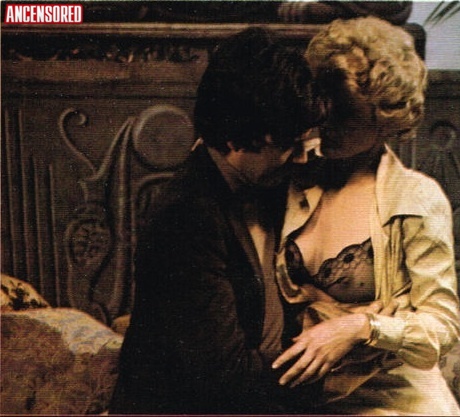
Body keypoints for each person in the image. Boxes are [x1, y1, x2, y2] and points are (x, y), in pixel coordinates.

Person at [109, 26, 326, 414]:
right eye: (288, 144)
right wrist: (329, 366)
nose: (300, 156)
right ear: (237, 140)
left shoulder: (267, 178)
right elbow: (225, 377)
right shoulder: (186, 216)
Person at [272, 16, 460, 415]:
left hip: (395, 397)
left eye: (345, 114)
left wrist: (361, 327)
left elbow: (442, 326)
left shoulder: (415, 198)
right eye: (324, 106)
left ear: (385, 119)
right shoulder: (288, 173)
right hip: (300, 394)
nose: (327, 124)